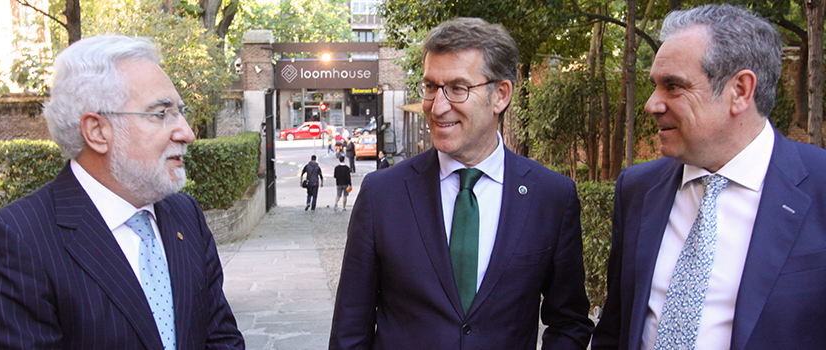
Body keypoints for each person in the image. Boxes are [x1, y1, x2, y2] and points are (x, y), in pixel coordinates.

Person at [0, 35, 245, 349]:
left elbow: (222, 339)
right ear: (97, 131)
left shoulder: (185, 216)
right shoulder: (12, 244)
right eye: (162, 114)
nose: (187, 132)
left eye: (180, 111)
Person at [329, 18, 593, 349]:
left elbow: (569, 322)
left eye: (457, 88)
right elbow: (350, 330)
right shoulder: (382, 195)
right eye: (430, 87)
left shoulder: (551, 196)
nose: (437, 107)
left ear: (500, 95)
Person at [591, 5, 826, 350]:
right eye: (655, 86)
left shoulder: (818, 186)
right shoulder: (637, 189)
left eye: (673, 86)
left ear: (740, 91)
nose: (652, 104)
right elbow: (614, 328)